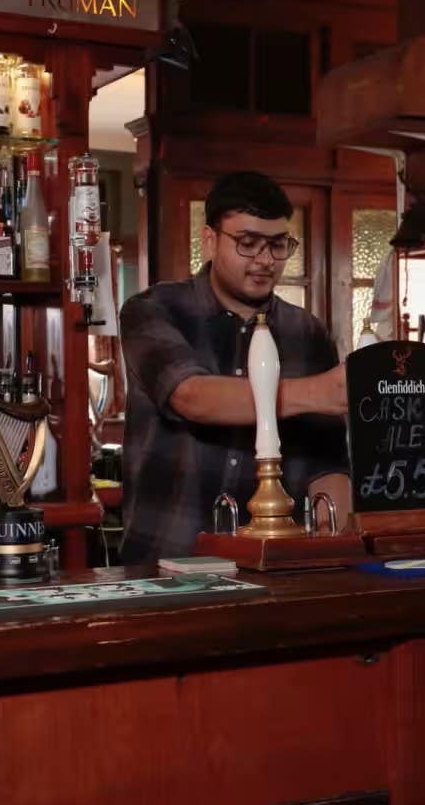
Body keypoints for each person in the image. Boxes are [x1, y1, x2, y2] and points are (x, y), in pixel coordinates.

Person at [119, 171, 349, 564]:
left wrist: (337, 538)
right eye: (247, 244)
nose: (265, 261)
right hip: (167, 563)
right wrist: (316, 392)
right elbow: (191, 396)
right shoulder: (154, 310)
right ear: (209, 240)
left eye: (278, 246)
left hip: (275, 565)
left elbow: (326, 461)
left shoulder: (306, 332)